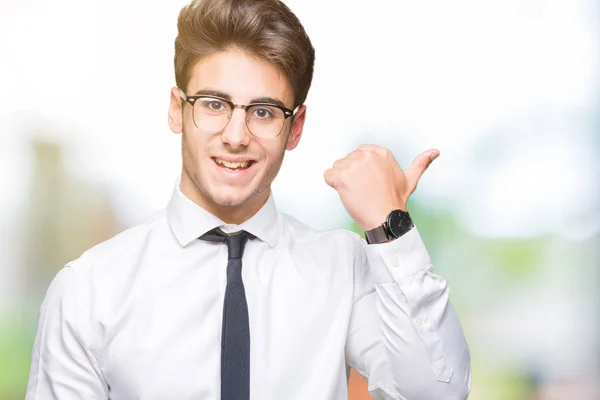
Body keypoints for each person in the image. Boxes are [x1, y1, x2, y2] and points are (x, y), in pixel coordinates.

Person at [25, 0, 471, 398]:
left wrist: (390, 227)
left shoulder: (342, 267)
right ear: (177, 109)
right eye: (215, 104)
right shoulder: (90, 289)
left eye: (263, 112)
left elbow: (436, 393)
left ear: (295, 129)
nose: (236, 137)